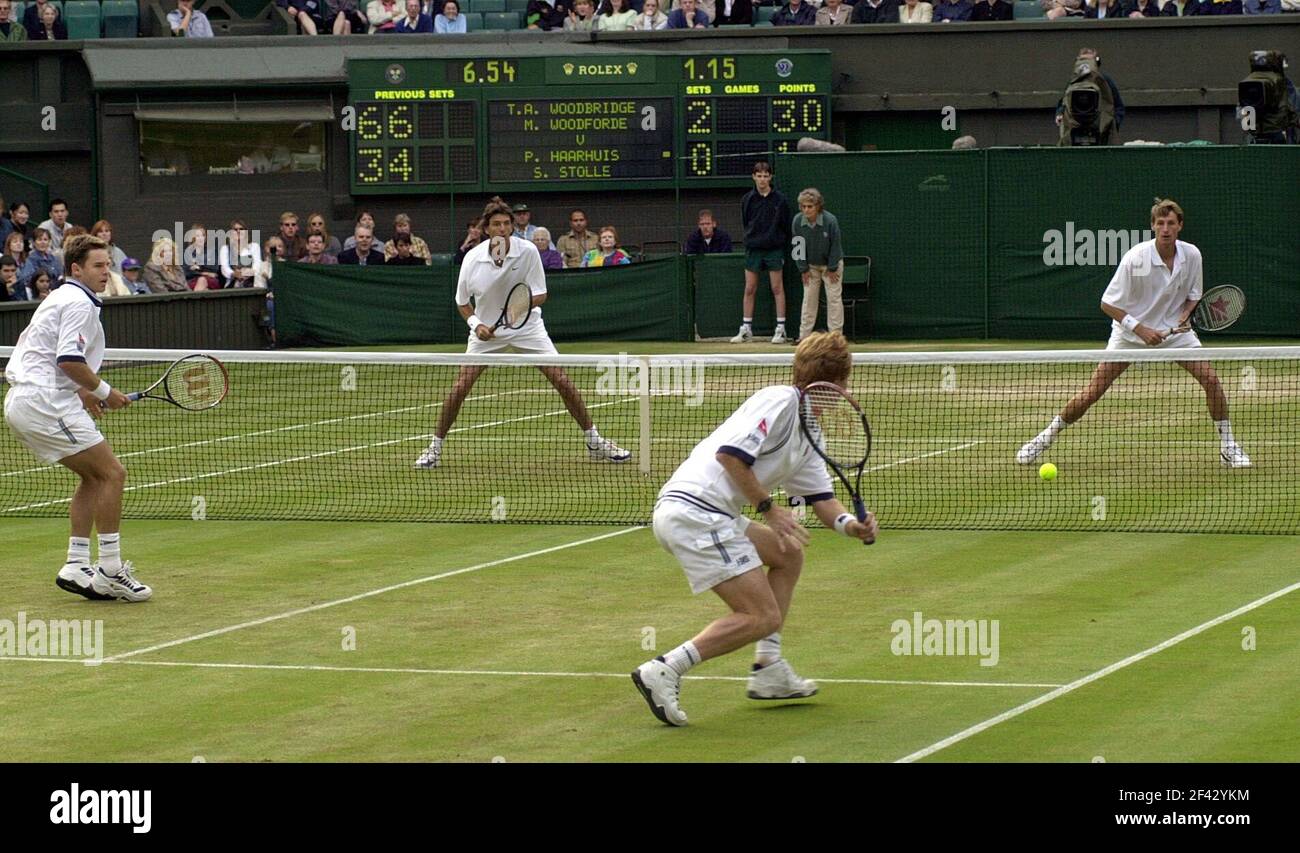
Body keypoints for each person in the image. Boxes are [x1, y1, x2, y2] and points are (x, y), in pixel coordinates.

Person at [631, 331, 877, 726]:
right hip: (695, 513)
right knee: (761, 615)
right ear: (835, 384)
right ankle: (665, 668)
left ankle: (769, 668)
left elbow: (821, 501)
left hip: (710, 514)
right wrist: (769, 509)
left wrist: (852, 526)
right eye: (845, 383)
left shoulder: (810, 431)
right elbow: (730, 456)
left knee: (788, 553)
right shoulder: (779, 401)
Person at [1016, 199, 1252, 470]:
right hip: (1129, 335)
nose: (1165, 229)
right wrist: (1140, 329)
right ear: (1152, 226)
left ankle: (1228, 446)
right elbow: (1107, 303)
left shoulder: (1192, 256)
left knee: (1211, 380)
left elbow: (1193, 296)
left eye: (1171, 223)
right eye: (1160, 223)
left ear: (1180, 226)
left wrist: (1184, 318)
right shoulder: (1136, 258)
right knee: (1093, 392)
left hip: (1175, 336)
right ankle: (1044, 438)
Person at [412, 199, 631, 470]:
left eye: (506, 224)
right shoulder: (472, 258)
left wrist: (516, 311)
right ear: (487, 228)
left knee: (562, 381)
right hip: (487, 333)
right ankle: (434, 448)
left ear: (512, 227)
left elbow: (540, 293)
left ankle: (595, 442)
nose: (502, 229)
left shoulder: (527, 251)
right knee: (460, 388)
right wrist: (477, 325)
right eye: (496, 224)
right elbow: (462, 302)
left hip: (527, 327)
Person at [3, 234, 152, 603]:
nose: (106, 272)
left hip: (31, 398)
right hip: (44, 402)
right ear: (76, 269)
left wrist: (82, 392)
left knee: (93, 476)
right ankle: (112, 570)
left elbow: (48, 354)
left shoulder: (61, 297)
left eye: (107, 264)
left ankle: (76, 563)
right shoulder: (77, 303)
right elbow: (68, 360)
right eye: (98, 266)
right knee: (112, 474)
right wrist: (104, 392)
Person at [731, 161, 792, 345]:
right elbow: (746, 222)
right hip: (753, 249)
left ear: (770, 177)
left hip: (774, 248)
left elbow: (785, 225)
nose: (762, 179)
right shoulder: (747, 200)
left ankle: (780, 329)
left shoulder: (780, 200)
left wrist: (775, 239)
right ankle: (746, 329)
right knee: (749, 288)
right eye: (759, 175)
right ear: (754, 177)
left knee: (777, 288)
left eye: (766, 176)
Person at [792, 189, 845, 343]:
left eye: (810, 206)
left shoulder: (830, 221)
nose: (806, 210)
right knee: (808, 300)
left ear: (818, 206)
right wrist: (803, 269)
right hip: (810, 267)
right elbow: (797, 247)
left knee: (834, 299)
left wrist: (832, 267)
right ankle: (804, 337)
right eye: (803, 206)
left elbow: (836, 245)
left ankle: (836, 338)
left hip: (831, 266)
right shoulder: (797, 221)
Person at [1055, 48, 1125, 144]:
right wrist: (1059, 114)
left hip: (1100, 131)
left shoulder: (1105, 81)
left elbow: (1118, 107)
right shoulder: (1073, 82)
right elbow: (1063, 102)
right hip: (1074, 128)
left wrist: (1111, 124)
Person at [219, 221, 262, 287]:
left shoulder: (254, 246)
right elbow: (224, 268)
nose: (238, 231)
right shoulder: (225, 249)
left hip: (252, 281)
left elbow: (257, 264)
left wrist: (248, 273)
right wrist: (234, 274)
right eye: (235, 229)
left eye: (241, 229)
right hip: (233, 282)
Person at [19, 228, 62, 294]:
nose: (43, 242)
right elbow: (26, 279)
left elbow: (60, 275)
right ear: (33, 242)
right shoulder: (30, 260)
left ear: (49, 242)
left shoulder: (54, 259)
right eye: (39, 240)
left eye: (45, 240)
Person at [182, 224, 222, 290]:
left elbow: (214, 269)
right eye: (198, 236)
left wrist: (197, 266)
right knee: (205, 288)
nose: (201, 238)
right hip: (192, 281)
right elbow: (186, 272)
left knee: (202, 280)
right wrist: (205, 272)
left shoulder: (212, 251)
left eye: (203, 235)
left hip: (211, 280)